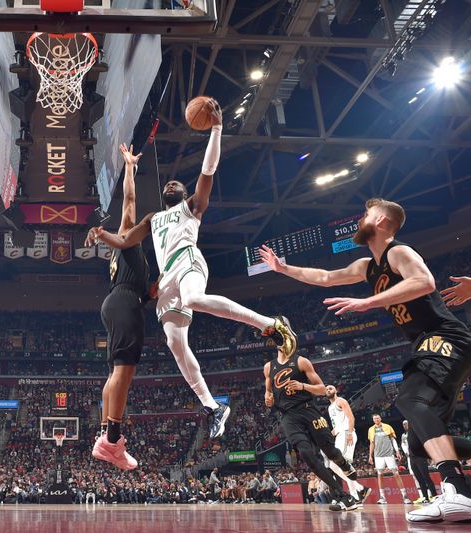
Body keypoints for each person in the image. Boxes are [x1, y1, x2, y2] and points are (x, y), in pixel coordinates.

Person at [88, 99, 297, 439]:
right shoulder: (153, 219)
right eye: (167, 185)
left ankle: (270, 326)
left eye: (177, 185)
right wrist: (102, 233)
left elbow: (208, 171)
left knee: (194, 297)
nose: (171, 184)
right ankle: (213, 406)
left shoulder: (192, 207)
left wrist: (216, 129)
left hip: (188, 260)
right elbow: (125, 237)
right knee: (174, 343)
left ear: (184, 194)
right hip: (165, 278)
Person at [259, 198, 471, 522]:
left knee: (412, 400)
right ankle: (456, 490)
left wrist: (367, 302)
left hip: (444, 335)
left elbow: (424, 282)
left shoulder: (398, 252)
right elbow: (326, 277)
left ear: (383, 220)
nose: (361, 219)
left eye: (367, 215)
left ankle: (458, 490)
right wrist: (283, 268)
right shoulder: (366, 267)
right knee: (418, 440)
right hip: (425, 343)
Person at [89, 144, 149, 470]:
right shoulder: (127, 237)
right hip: (123, 300)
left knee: (116, 371)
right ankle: (112, 440)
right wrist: (129, 168)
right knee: (124, 370)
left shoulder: (131, 257)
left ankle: (105, 436)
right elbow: (129, 201)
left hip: (119, 301)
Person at [264, 347, 362, 511]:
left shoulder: (301, 361)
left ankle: (344, 463)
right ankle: (343, 496)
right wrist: (268, 399)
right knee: (306, 454)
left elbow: (322, 389)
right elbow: (268, 393)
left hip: (308, 410)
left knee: (330, 451)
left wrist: (302, 386)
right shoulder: (268, 367)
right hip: (288, 416)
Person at [325, 384, 370, 503]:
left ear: (336, 390)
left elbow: (351, 417)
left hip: (346, 434)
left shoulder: (341, 401)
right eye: (326, 389)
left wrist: (350, 433)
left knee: (342, 465)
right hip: (340, 435)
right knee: (333, 466)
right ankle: (360, 489)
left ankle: (355, 496)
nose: (328, 390)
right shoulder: (330, 408)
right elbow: (336, 426)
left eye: (330, 388)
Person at [367, 413, 411, 504]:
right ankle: (382, 497)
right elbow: (372, 443)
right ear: (373, 420)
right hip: (378, 455)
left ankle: (405, 496)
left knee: (396, 474)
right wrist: (370, 456)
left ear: (380, 418)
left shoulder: (387, 427)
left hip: (389, 454)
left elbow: (393, 440)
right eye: (375, 419)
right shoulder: (371, 430)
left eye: (378, 418)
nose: (376, 420)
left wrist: (397, 451)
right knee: (380, 475)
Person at [402, 419, 437, 503]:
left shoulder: (418, 432)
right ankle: (425, 497)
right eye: (404, 424)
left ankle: (435, 496)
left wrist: (429, 456)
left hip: (420, 457)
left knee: (426, 477)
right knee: (419, 479)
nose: (406, 426)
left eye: (407, 424)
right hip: (412, 458)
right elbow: (404, 445)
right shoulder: (405, 435)